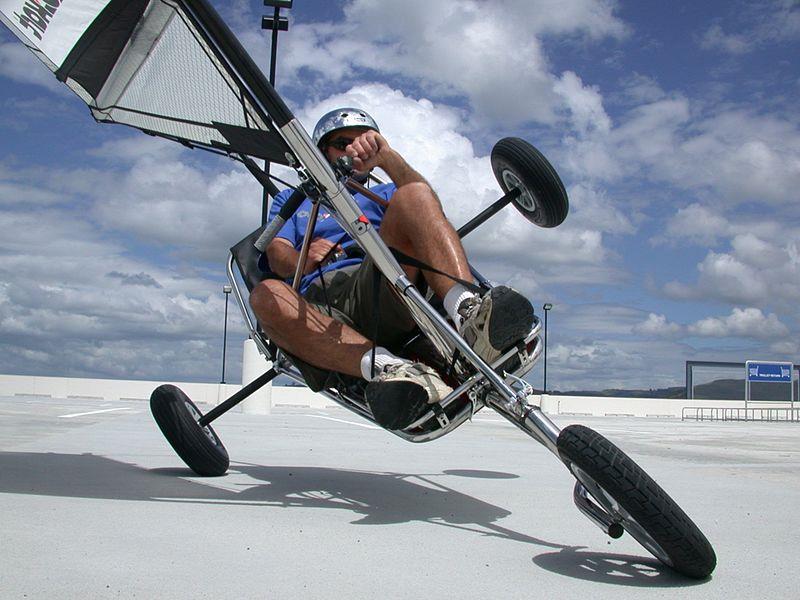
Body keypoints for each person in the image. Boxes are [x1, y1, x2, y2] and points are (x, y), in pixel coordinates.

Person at [250, 107, 533, 429]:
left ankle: (469, 314)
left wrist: (386, 158)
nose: (354, 150)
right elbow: (276, 256)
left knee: (414, 193)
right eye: (343, 143)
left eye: (366, 142)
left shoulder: (384, 192)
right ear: (322, 152)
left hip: (384, 284)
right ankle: (391, 369)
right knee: (264, 295)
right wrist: (306, 254)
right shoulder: (293, 199)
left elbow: (426, 205)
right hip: (320, 304)